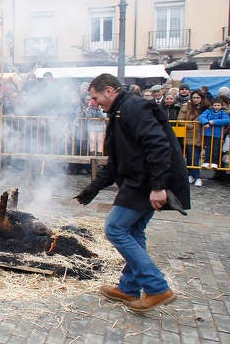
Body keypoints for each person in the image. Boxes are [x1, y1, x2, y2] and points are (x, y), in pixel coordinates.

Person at [74, 73, 189, 312]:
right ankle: (129, 288)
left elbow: (159, 146)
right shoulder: (118, 112)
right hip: (136, 181)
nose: (94, 103)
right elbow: (116, 162)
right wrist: (92, 188)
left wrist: (158, 187)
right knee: (134, 232)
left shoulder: (134, 107)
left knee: (115, 228)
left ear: (109, 90)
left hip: (145, 182)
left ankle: (157, 288)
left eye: (95, 97)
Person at [198, 98, 229, 171]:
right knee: (208, 148)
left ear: (221, 106)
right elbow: (201, 117)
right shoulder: (208, 111)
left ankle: (214, 162)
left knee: (216, 149)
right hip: (208, 133)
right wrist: (206, 122)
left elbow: (226, 120)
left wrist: (213, 122)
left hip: (218, 134)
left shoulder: (223, 113)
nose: (216, 107)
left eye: (218, 105)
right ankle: (206, 161)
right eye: (215, 105)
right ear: (212, 105)